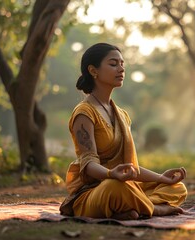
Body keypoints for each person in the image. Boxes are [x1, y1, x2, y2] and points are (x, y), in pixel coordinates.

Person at [59, 43, 188, 220]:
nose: (121, 69)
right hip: (96, 192)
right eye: (113, 64)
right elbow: (88, 165)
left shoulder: (122, 115)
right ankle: (155, 209)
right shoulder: (84, 113)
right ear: (93, 70)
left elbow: (131, 169)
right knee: (115, 187)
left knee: (177, 188)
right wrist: (111, 174)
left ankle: (128, 209)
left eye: (122, 64)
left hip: (124, 185)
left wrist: (162, 178)